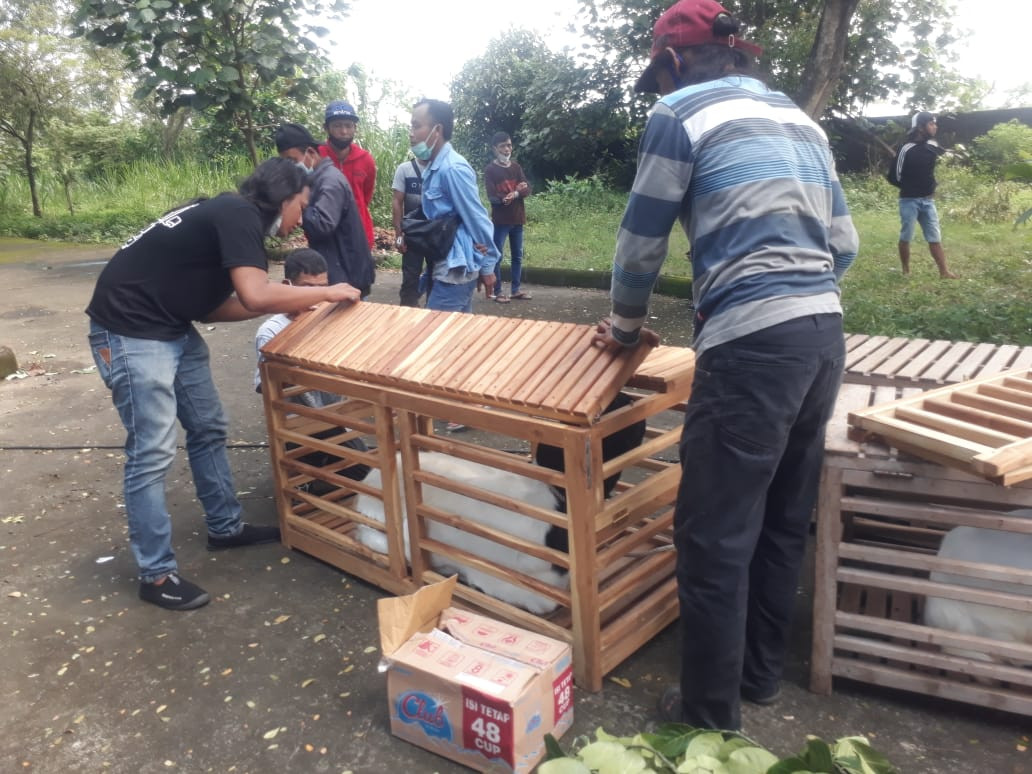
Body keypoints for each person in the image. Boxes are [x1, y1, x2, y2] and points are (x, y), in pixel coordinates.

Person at [592, 0, 859, 731]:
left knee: (712, 531)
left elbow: (642, 238)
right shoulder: (801, 120)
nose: (658, 87)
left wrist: (623, 328)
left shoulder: (679, 114)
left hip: (753, 349)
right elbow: (844, 243)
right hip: (823, 335)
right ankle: (759, 678)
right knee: (780, 515)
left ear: (673, 62)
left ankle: (708, 715)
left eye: (659, 74)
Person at [86, 158, 363, 611]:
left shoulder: (226, 216)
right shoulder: (238, 214)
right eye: (302, 207)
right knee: (152, 451)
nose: (300, 221)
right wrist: (326, 292)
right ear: (286, 197)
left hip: (169, 324)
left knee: (209, 425)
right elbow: (256, 295)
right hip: (130, 330)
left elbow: (219, 307)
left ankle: (225, 527)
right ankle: (155, 576)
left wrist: (297, 304)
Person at [254, 248, 371, 484]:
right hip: (298, 422)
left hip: (335, 417)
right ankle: (305, 479)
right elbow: (263, 386)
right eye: (308, 289)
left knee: (364, 473)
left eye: (323, 289)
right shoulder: (272, 331)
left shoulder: (329, 316)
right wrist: (294, 340)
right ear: (287, 285)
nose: (317, 298)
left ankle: (326, 467)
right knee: (359, 477)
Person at [407, 99, 499, 313]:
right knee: (455, 339)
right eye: (411, 126)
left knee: (435, 338)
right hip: (443, 262)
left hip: (454, 269)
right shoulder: (434, 166)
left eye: (416, 125)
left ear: (437, 130)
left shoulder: (452, 169)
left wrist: (487, 266)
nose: (411, 133)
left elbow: (476, 218)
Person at [276, 122, 375, 296]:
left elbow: (322, 225)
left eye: (292, 161)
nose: (289, 167)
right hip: (340, 270)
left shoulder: (330, 182)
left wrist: (298, 206)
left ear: (311, 153)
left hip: (347, 274)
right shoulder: (316, 180)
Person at [890, 111, 957, 278]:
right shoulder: (906, 148)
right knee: (906, 236)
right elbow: (893, 177)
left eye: (935, 123)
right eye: (931, 123)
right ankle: (906, 270)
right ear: (920, 127)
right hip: (909, 200)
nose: (935, 126)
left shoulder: (932, 146)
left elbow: (946, 154)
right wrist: (911, 188)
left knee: (934, 237)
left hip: (928, 201)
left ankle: (944, 272)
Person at [319, 101, 377, 249]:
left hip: (359, 236)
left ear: (355, 128)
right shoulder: (316, 156)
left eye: (348, 125)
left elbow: (366, 196)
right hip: (325, 236)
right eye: (337, 125)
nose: (344, 131)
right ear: (327, 128)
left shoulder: (365, 159)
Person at [483, 131, 532, 303]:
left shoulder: (516, 167)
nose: (507, 149)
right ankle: (498, 291)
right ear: (494, 149)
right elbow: (492, 197)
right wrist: (507, 197)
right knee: (497, 255)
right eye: (503, 146)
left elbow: (527, 189)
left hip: (517, 219)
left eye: (509, 145)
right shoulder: (490, 170)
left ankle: (515, 289)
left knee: (517, 255)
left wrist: (516, 193)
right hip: (500, 221)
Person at [391, 155, 431, 306]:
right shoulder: (404, 169)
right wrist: (399, 236)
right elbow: (397, 202)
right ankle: (406, 318)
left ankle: (433, 318)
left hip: (435, 235)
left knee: (435, 279)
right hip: (411, 235)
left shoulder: (441, 169)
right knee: (410, 280)